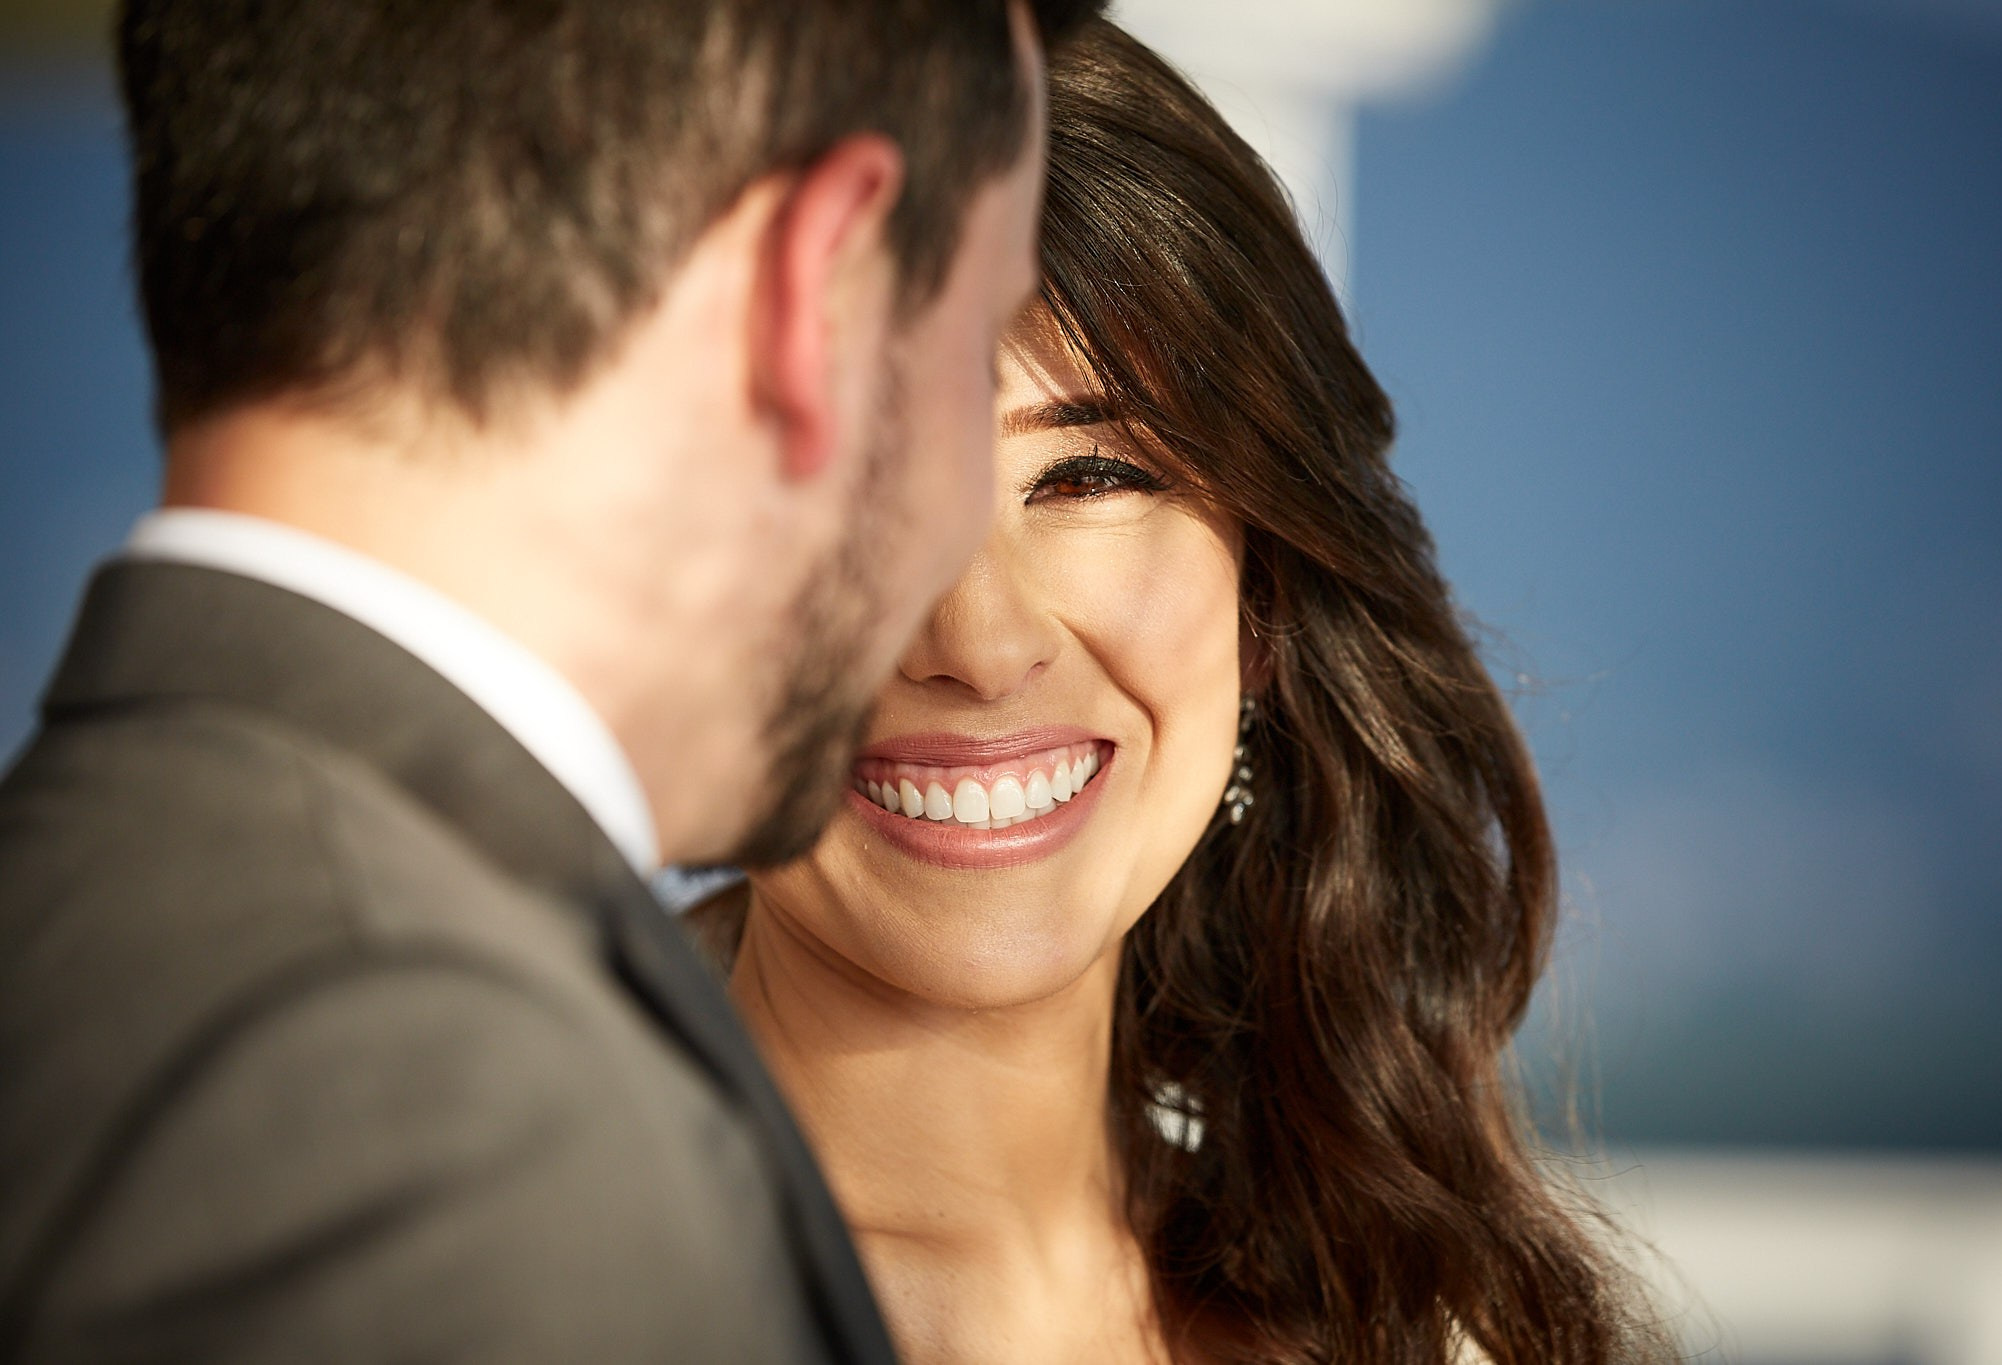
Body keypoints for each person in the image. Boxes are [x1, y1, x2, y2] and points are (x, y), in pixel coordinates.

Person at [0, 0, 1102, 1359]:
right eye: (967, 335)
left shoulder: (109, 892)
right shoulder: (455, 1129)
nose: (976, 613)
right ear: (812, 293)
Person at [692, 18, 1665, 1364]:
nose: (979, 638)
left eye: (1093, 476)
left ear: (1266, 596)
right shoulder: (473, 1277)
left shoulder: (1422, 1318)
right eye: (859, 486)